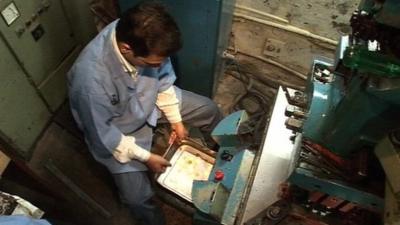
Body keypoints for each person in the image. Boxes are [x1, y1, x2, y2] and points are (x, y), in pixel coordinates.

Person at [67, 1, 222, 225]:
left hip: (149, 99)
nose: (159, 66)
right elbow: (103, 135)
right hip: (119, 129)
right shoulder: (90, 84)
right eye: (153, 63)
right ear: (126, 49)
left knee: (208, 109)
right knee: (138, 198)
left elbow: (163, 80)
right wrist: (146, 158)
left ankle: (220, 156)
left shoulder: (143, 36)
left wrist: (176, 120)